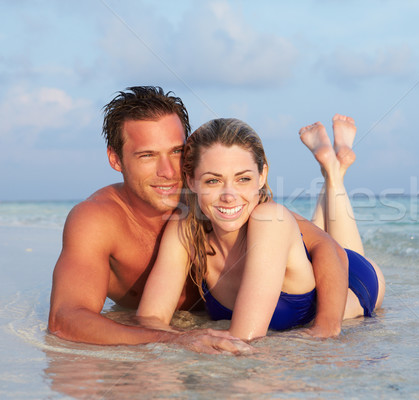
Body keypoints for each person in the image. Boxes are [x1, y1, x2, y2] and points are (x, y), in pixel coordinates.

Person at [48, 86, 348, 354]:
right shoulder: (98, 220)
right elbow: (65, 320)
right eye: (147, 155)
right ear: (115, 159)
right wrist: (175, 341)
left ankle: (334, 175)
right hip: (212, 317)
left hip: (301, 289)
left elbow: (328, 248)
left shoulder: (210, 195)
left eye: (176, 152)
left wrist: (326, 330)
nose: (167, 171)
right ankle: (332, 174)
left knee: (330, 235)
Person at [137, 115, 384, 341]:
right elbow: (149, 319)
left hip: (353, 279)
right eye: (213, 180)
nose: (229, 196)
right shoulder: (185, 228)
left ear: (262, 175)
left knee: (334, 242)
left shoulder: (269, 219)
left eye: (243, 179)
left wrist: (327, 326)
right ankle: (332, 168)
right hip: (298, 260)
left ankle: (333, 173)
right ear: (191, 180)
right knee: (304, 235)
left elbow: (243, 340)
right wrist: (182, 340)